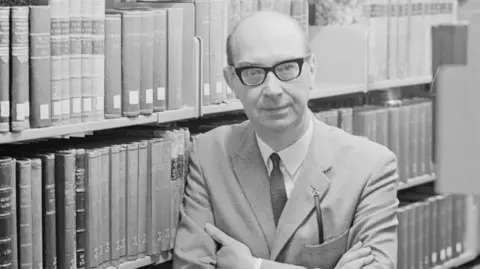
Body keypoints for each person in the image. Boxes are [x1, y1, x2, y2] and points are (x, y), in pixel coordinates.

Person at [173, 10, 399, 269]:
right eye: (253, 72)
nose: (273, 90)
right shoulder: (208, 154)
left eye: (287, 68)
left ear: (311, 70)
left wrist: (255, 267)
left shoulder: (371, 166)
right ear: (231, 81)